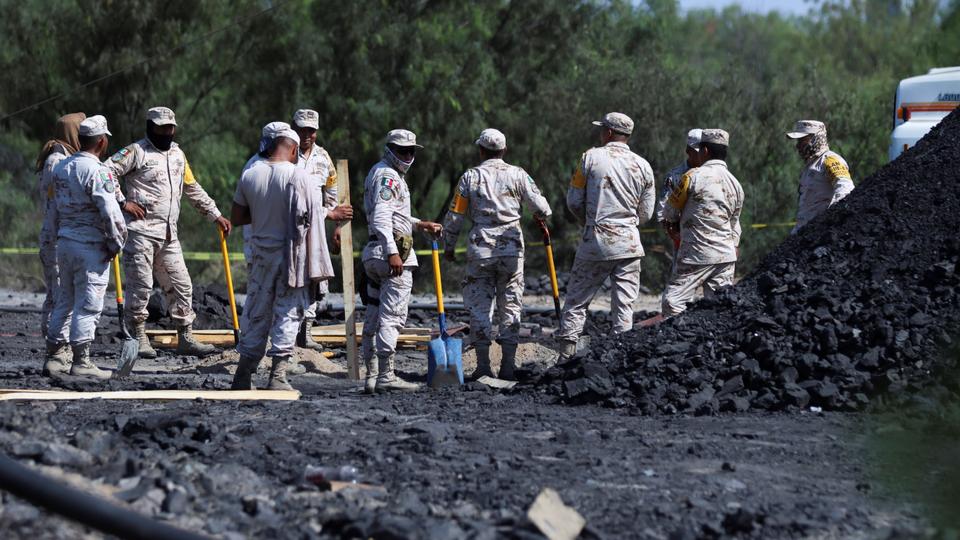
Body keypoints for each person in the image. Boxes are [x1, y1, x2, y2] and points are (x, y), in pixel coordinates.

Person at [229, 127, 352, 390]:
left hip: (260, 255)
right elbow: (306, 218)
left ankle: (243, 375)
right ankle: (277, 377)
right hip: (290, 257)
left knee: (255, 311)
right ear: (294, 149)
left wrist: (264, 215)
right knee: (288, 313)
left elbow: (238, 217)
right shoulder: (300, 176)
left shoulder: (250, 173)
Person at [106, 107, 232, 359]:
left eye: (170, 127)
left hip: (168, 234)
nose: (167, 132)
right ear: (150, 126)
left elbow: (192, 188)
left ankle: (185, 337)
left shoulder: (178, 155)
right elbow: (106, 170)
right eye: (161, 127)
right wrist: (122, 202)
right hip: (140, 232)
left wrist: (214, 214)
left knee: (181, 284)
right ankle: (138, 337)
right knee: (140, 286)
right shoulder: (136, 152)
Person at [441, 128, 551, 380]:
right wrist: (535, 215)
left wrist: (449, 245)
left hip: (481, 249)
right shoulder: (518, 174)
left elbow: (455, 215)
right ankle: (508, 367)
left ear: (481, 150)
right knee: (510, 305)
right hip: (511, 248)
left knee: (480, 307)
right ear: (504, 150)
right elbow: (542, 207)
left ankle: (482, 367)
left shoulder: (471, 177)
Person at [556, 113, 655, 361]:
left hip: (596, 241)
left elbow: (574, 200)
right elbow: (646, 212)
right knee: (624, 307)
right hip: (629, 245)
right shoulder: (643, 165)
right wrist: (628, 225)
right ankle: (621, 359)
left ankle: (566, 354)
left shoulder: (590, 158)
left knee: (577, 300)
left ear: (609, 133)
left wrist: (588, 220)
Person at [360, 129, 443, 393]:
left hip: (374, 253)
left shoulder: (381, 172)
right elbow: (383, 215)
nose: (408, 156)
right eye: (402, 150)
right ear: (389, 149)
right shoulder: (388, 176)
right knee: (392, 316)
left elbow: (394, 214)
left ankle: (371, 376)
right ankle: (386, 375)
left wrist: (419, 224)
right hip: (391, 255)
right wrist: (392, 251)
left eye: (411, 151)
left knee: (373, 315)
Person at [44, 115, 127, 378]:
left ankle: (54, 357)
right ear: (102, 142)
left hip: (65, 243)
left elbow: (54, 209)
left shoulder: (61, 167)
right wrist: (116, 243)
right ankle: (82, 361)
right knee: (88, 304)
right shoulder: (99, 171)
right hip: (91, 246)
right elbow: (111, 212)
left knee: (64, 301)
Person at [660, 129, 743, 317]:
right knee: (719, 305)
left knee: (673, 301)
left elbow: (669, 212)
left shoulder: (691, 177)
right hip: (726, 256)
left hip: (696, 254)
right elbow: (735, 223)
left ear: (704, 151)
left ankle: (677, 340)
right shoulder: (736, 184)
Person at [36, 112, 85, 351]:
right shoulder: (57, 160)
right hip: (56, 236)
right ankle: (57, 345)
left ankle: (53, 340)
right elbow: (56, 199)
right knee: (60, 294)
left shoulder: (63, 156)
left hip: (57, 234)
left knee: (57, 293)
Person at [291, 109, 340, 352]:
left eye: (310, 130)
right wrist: (329, 213)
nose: (306, 135)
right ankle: (286, 335)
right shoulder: (285, 153)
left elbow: (333, 196)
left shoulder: (323, 158)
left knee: (315, 281)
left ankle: (306, 332)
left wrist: (336, 224)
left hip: (315, 232)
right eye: (302, 129)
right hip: (289, 230)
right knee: (290, 282)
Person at [786, 120, 854, 232]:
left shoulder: (830, 160)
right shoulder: (809, 167)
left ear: (815, 138)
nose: (798, 146)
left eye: (802, 140)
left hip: (820, 232)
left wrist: (831, 219)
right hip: (803, 233)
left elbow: (845, 188)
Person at [658, 129, 705, 249]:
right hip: (685, 242)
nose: (701, 156)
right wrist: (675, 235)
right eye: (697, 152)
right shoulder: (674, 176)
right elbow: (662, 211)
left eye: (703, 152)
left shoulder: (713, 174)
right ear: (688, 151)